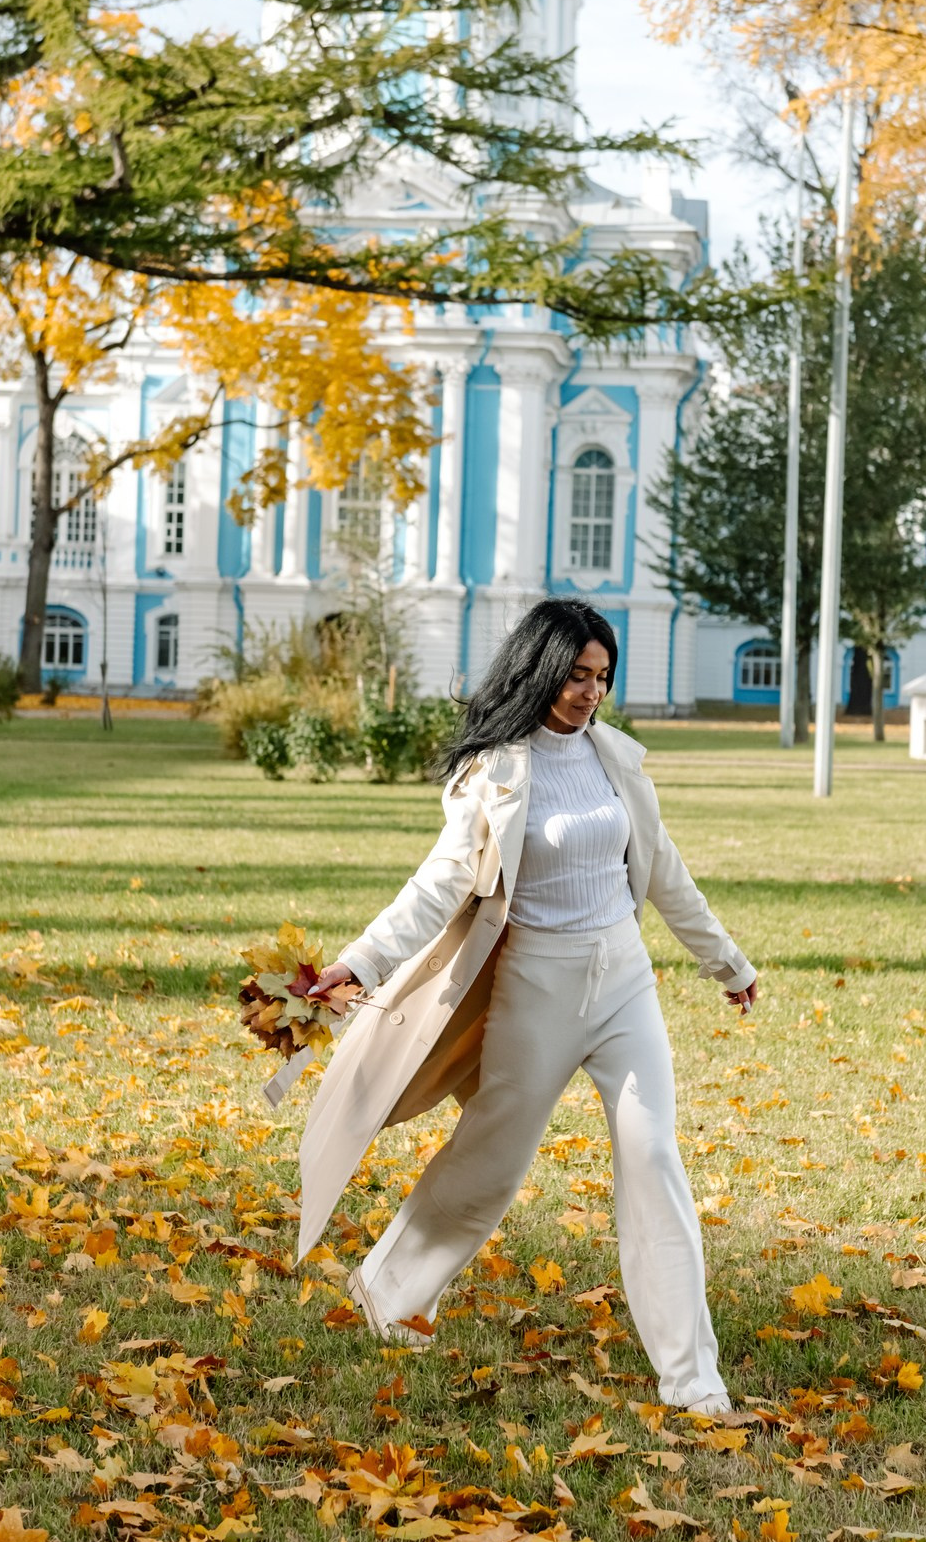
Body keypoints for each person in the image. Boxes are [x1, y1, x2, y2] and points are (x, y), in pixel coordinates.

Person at [303, 596, 757, 1415]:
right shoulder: (496, 771)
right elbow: (438, 884)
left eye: (602, 678)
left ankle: (695, 1382)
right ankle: (388, 1283)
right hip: (535, 988)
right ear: (542, 670)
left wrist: (727, 963)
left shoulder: (616, 758)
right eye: (577, 675)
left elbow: (664, 874)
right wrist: (358, 960)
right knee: (492, 1163)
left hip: (623, 982)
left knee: (654, 1158)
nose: (589, 693)